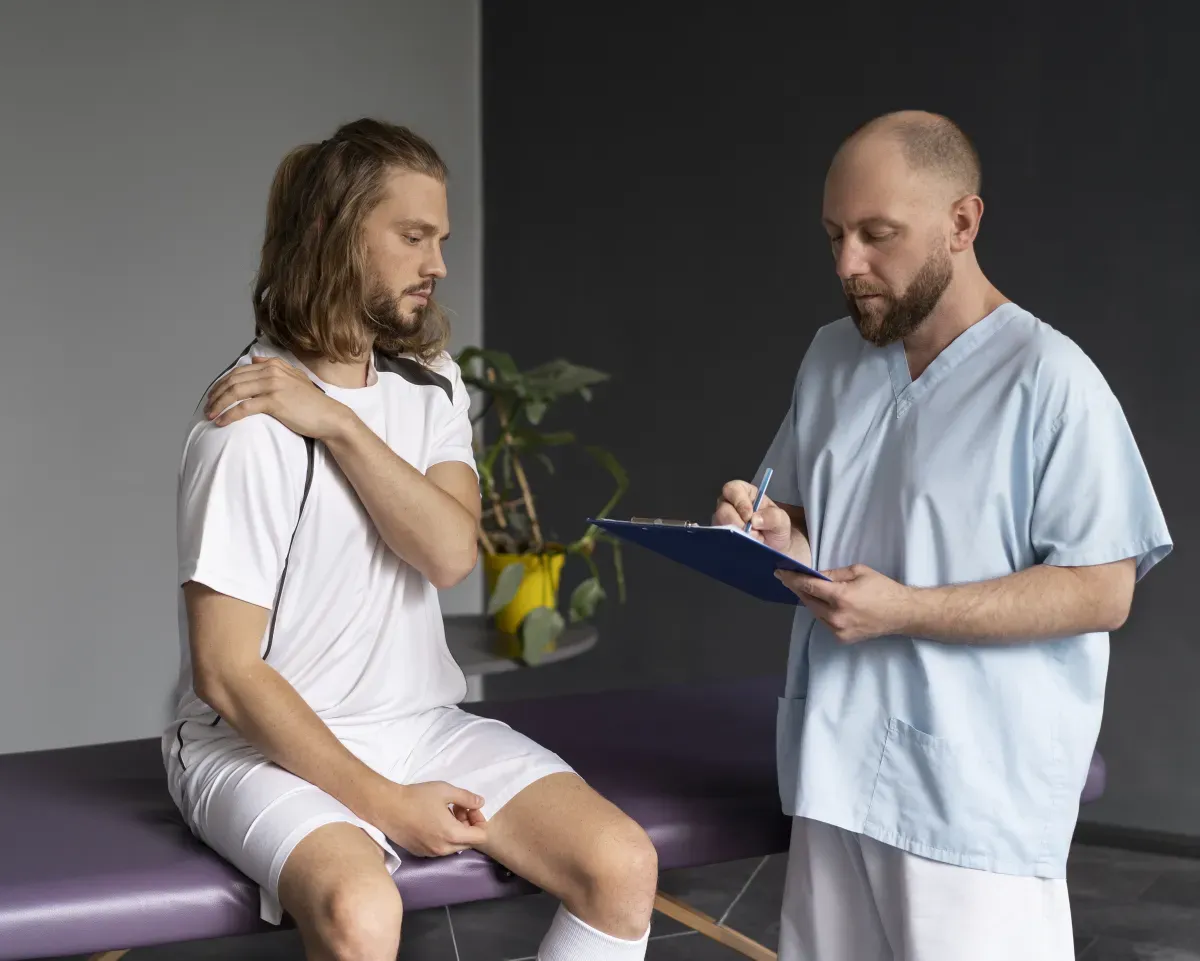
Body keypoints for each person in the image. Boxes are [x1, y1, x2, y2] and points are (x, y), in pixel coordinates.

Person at [162, 118, 658, 961]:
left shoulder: (431, 383)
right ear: (332, 236)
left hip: (417, 720)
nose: (437, 264)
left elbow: (449, 552)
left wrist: (342, 426)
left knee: (620, 863)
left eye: (442, 239)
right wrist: (387, 803)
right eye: (413, 237)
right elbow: (227, 672)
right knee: (362, 909)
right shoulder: (245, 426)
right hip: (252, 748)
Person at [714, 110, 1172, 961]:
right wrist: (775, 530)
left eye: (878, 235)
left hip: (973, 793)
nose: (849, 264)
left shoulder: (1051, 381)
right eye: (835, 235)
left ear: (962, 223)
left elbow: (1103, 589)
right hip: (836, 767)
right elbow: (822, 525)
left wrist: (905, 609)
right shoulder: (831, 360)